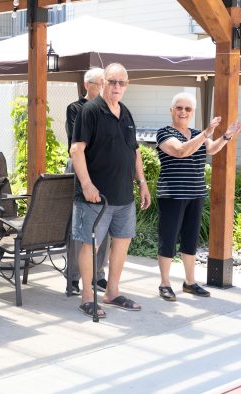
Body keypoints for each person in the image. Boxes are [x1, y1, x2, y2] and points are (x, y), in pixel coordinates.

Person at [70, 63, 151, 319]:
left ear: (127, 86)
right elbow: (76, 150)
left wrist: (142, 182)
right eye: (112, 81)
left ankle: (112, 292)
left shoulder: (125, 113)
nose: (117, 87)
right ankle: (87, 297)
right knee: (89, 245)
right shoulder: (90, 111)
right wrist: (86, 184)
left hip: (123, 195)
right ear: (103, 82)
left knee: (122, 241)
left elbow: (134, 150)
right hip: (96, 196)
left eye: (122, 83)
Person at [156, 92, 241, 301]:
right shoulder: (164, 133)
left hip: (195, 193)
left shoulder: (196, 133)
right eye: (179, 108)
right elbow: (180, 151)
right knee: (168, 239)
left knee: (190, 240)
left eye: (188, 109)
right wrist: (206, 132)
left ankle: (190, 282)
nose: (183, 112)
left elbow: (211, 149)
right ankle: (165, 284)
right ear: (172, 110)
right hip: (172, 195)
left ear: (193, 112)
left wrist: (226, 136)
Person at [65, 67, 109, 295]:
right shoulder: (75, 109)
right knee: (80, 225)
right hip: (83, 170)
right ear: (87, 85)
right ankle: (73, 277)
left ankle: (98, 275)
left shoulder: (110, 109)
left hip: (105, 171)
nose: (105, 87)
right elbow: (78, 144)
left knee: (104, 224)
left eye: (106, 82)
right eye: (100, 83)